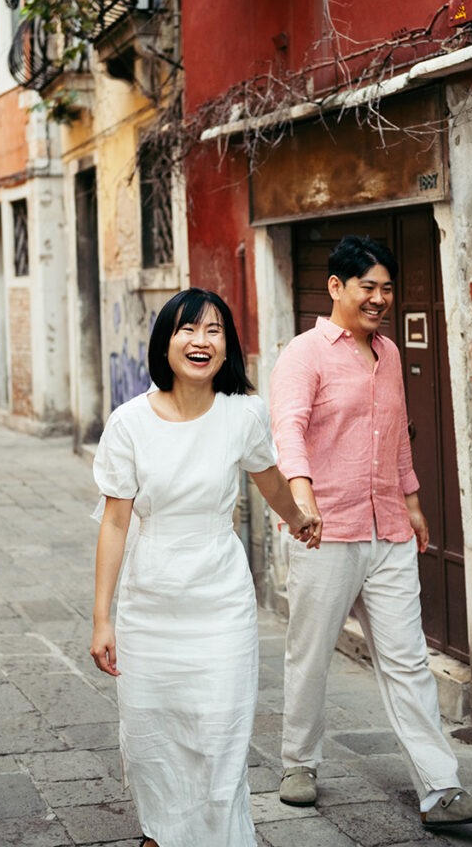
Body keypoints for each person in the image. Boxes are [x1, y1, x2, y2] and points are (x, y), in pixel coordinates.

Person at [269, 235, 472, 828]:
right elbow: (288, 429)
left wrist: (414, 503)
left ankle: (439, 789)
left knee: (407, 661)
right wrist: (302, 497)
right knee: (311, 652)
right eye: (367, 287)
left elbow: (397, 435)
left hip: (388, 528)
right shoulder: (304, 353)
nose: (379, 299)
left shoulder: (390, 354)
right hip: (327, 529)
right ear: (337, 288)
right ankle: (299, 763)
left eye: (387, 289)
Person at [90, 287, 322, 847]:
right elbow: (116, 524)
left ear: (227, 346)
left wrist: (300, 517)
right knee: (153, 731)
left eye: (214, 330)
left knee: (220, 730)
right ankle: (161, 832)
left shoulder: (243, 414)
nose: (201, 341)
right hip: (151, 603)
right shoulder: (128, 424)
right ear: (165, 344)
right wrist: (102, 618)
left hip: (221, 599)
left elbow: (269, 479)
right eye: (187, 330)